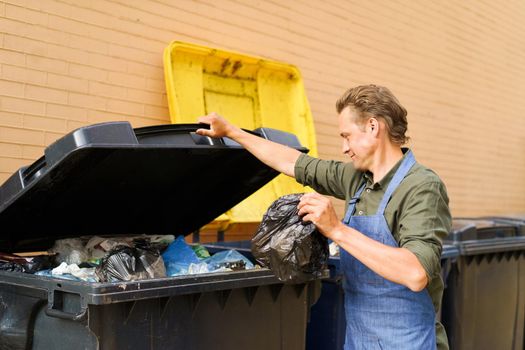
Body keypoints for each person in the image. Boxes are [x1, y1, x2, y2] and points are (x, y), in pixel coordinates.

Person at [196, 84, 451, 350]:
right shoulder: (356, 179)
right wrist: (232, 132)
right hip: (360, 339)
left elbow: (415, 273)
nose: (344, 148)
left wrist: (337, 230)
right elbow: (293, 163)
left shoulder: (421, 186)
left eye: (347, 136)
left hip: (409, 342)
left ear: (373, 127)